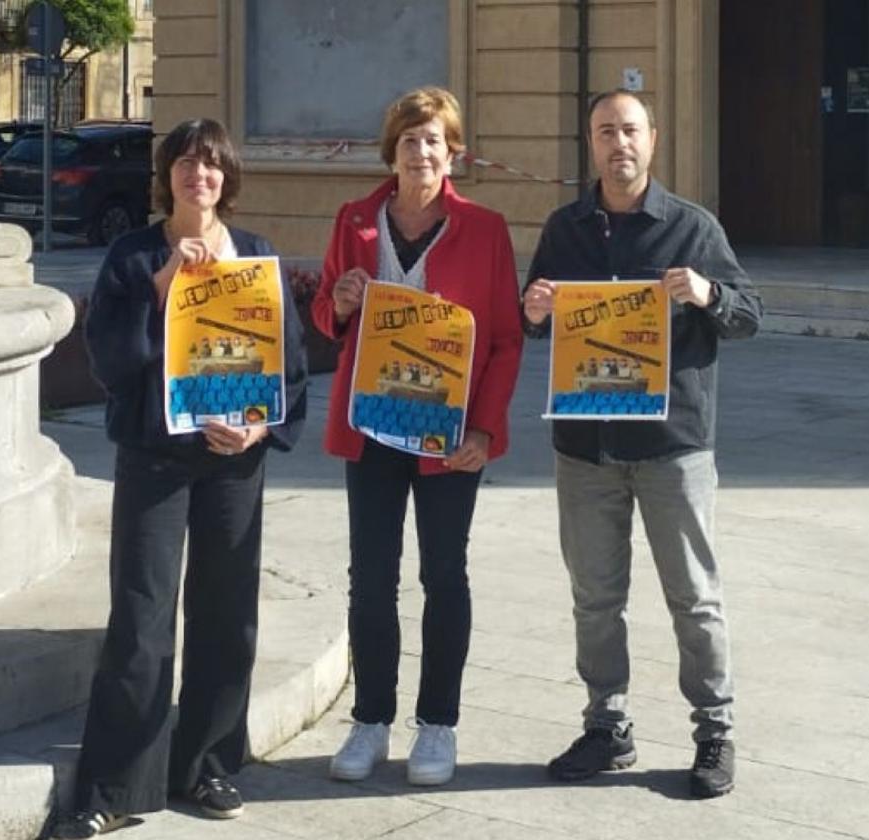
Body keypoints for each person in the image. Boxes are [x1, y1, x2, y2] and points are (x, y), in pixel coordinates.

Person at [50, 118, 307, 839]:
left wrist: (261, 423)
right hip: (155, 459)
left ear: (228, 178)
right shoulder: (136, 256)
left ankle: (206, 764)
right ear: (166, 177)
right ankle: (112, 784)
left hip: (234, 461)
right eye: (187, 165)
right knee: (141, 616)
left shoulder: (254, 256)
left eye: (213, 166)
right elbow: (112, 363)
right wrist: (161, 291)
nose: (201, 177)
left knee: (227, 617)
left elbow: (284, 371)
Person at [521, 90, 761, 798]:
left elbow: (749, 314)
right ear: (590, 144)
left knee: (694, 598)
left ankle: (714, 731)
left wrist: (707, 293)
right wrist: (532, 308)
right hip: (585, 446)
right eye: (604, 132)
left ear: (652, 139)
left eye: (629, 130)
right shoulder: (565, 228)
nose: (617, 143)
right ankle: (607, 725)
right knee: (595, 597)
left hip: (672, 446)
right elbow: (535, 316)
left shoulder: (693, 228)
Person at [311, 86, 523, 787]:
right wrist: (338, 303)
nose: (421, 151)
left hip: (449, 434)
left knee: (443, 575)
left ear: (453, 152)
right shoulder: (355, 219)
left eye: (433, 140)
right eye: (409, 139)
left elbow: (501, 339)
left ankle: (438, 725)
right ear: (392, 150)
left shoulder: (486, 229)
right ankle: (371, 719)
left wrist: (487, 428)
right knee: (370, 578)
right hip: (372, 426)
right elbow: (326, 314)